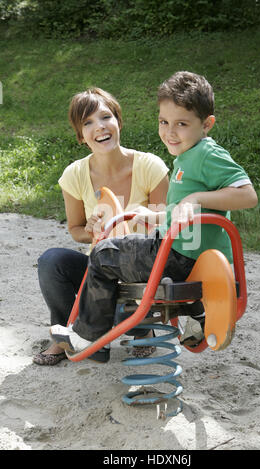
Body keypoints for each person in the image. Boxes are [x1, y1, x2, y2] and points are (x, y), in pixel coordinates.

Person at [49, 71, 258, 359]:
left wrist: (196, 198)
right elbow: (181, 215)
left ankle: (87, 336)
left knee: (103, 254)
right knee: (113, 250)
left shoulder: (208, 155)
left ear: (206, 124)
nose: (170, 132)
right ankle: (195, 318)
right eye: (164, 122)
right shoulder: (188, 155)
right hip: (183, 251)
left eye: (181, 124)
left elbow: (248, 195)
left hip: (178, 256)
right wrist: (152, 214)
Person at [33, 87, 169, 366]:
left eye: (106, 117)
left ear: (118, 121)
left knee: (134, 277)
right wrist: (92, 230)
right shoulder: (74, 175)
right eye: (88, 122)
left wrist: (142, 217)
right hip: (100, 273)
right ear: (81, 136)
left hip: (142, 273)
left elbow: (166, 225)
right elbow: (76, 229)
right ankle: (65, 337)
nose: (99, 127)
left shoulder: (149, 166)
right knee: (51, 261)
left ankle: (141, 328)